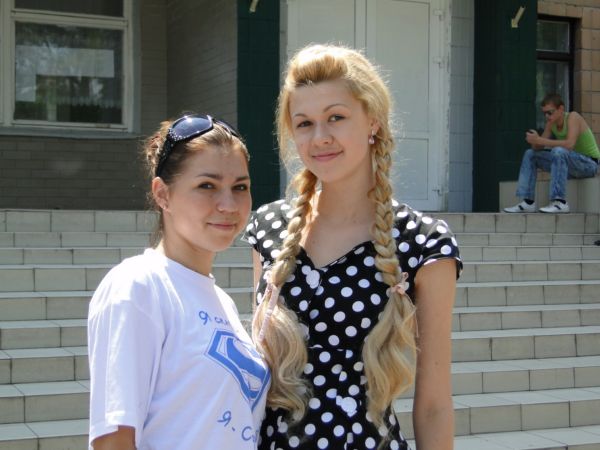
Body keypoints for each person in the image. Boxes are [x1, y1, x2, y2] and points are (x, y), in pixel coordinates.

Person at [244, 44, 462, 450]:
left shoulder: (423, 243)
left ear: (372, 121)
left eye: (336, 117)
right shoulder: (269, 228)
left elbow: (434, 404)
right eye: (304, 123)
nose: (320, 138)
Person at [87, 114, 270, 450]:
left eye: (240, 187)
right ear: (163, 194)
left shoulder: (222, 302)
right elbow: (114, 439)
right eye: (207, 186)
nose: (229, 204)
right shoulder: (138, 286)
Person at [504, 93, 600, 214]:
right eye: (544, 113)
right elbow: (538, 147)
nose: (547, 116)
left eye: (550, 112)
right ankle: (528, 202)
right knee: (530, 154)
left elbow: (570, 144)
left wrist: (540, 140)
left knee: (558, 151)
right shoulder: (551, 123)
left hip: (589, 165)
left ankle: (560, 202)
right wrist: (534, 140)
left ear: (561, 109)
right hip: (570, 164)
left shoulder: (573, 117)